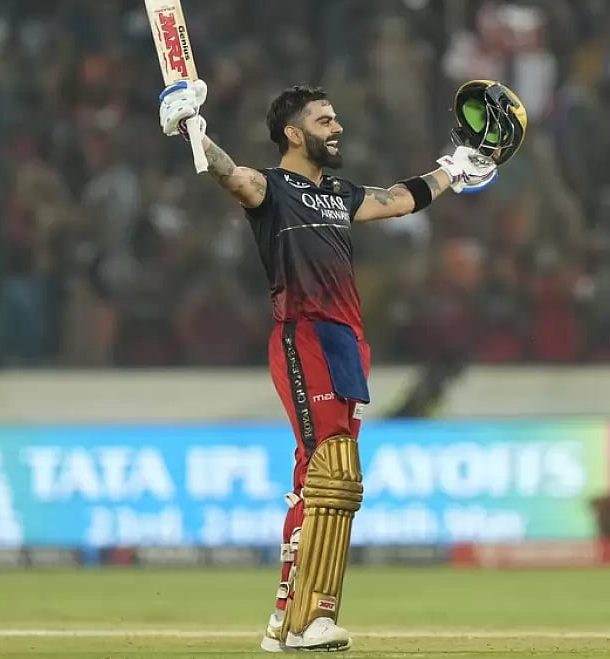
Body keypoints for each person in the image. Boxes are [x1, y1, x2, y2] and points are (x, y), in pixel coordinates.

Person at [157, 78, 527, 653]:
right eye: (326, 120)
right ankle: (312, 620)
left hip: (346, 344)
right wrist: (193, 131)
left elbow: (401, 198)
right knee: (333, 475)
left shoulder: (339, 193)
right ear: (294, 132)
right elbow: (230, 175)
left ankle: (286, 620)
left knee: (319, 479)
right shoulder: (271, 189)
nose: (339, 128)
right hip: (303, 333)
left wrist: (454, 168)